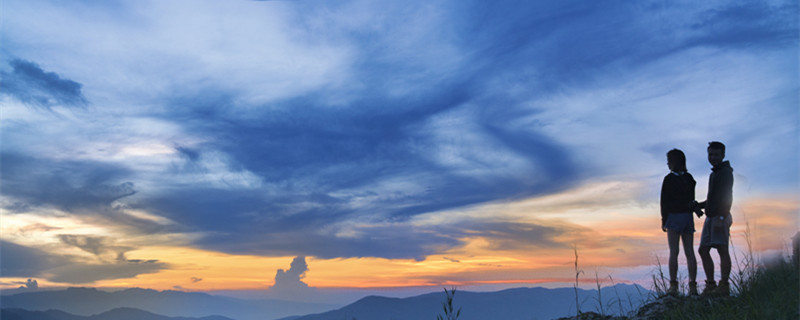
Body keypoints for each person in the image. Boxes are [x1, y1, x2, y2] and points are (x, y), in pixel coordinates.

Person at [696, 141, 734, 296]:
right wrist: (698, 205)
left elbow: (727, 196)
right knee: (703, 250)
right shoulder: (714, 174)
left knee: (722, 249)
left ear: (723, 155)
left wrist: (721, 216)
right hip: (711, 216)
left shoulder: (725, 172)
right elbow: (712, 200)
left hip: (719, 216)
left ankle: (724, 285)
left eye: (716, 155)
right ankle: (711, 285)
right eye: (710, 154)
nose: (713, 157)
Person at [660, 149, 698, 296]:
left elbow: (664, 202)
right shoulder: (689, 178)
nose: (667, 163)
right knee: (690, 252)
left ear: (674, 162)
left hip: (674, 217)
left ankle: (673, 285)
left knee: (674, 252)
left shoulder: (669, 179)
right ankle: (693, 286)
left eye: (669, 160)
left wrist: (664, 220)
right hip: (687, 217)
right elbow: (691, 199)